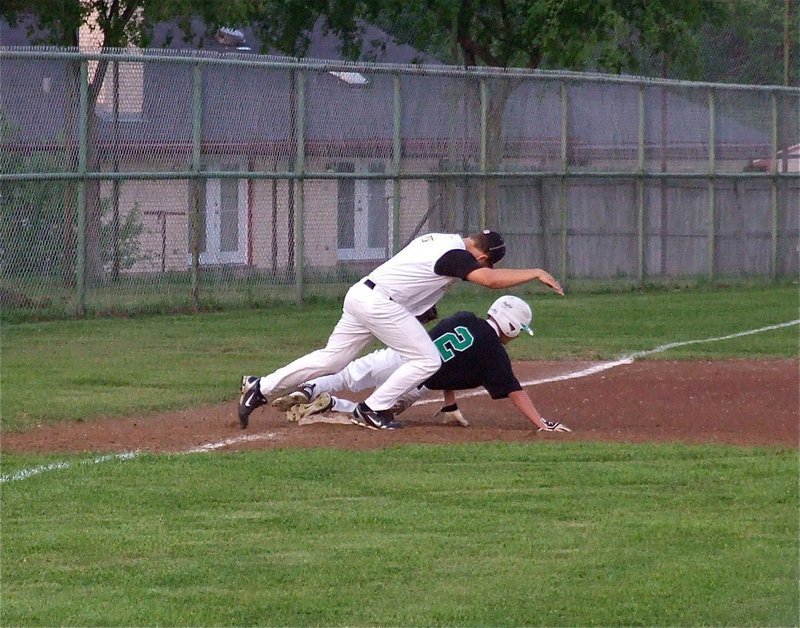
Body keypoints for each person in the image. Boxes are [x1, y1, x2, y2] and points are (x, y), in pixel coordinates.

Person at [238, 230, 564, 430]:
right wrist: (535, 272)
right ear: (480, 256)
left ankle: (260, 387)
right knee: (427, 360)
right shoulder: (455, 255)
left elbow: (416, 281)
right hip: (380, 302)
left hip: (363, 295)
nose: (481, 268)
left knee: (331, 360)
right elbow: (490, 281)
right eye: (484, 263)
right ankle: (372, 409)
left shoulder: (440, 239)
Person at [271, 296, 570, 432]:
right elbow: (514, 391)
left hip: (402, 352)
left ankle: (312, 389)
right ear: (513, 327)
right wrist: (541, 424)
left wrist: (451, 405)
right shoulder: (494, 353)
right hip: (416, 380)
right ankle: (334, 405)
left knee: (349, 374)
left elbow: (448, 352)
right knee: (379, 410)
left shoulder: (465, 317)